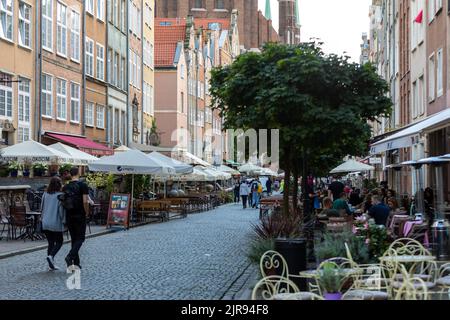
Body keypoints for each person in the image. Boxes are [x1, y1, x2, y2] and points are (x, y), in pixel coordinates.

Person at [63, 167, 90, 269]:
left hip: (69, 214)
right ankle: (70, 257)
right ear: (78, 173)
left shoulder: (66, 187)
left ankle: (75, 263)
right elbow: (85, 201)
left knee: (74, 238)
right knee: (80, 238)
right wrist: (86, 212)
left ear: (70, 174)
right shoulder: (83, 185)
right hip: (79, 214)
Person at [41, 177, 66, 271]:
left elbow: (42, 208)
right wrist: (64, 221)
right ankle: (51, 256)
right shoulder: (60, 196)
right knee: (59, 241)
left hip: (45, 222)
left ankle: (50, 264)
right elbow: (61, 211)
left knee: (50, 242)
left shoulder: (45, 194)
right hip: (55, 222)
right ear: (59, 185)